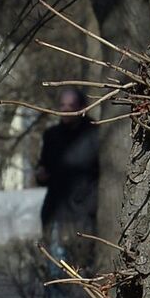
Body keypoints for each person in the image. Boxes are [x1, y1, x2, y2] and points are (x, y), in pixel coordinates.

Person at [35, 88, 103, 258]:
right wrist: (41, 174)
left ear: (82, 107)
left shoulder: (94, 134)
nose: (65, 110)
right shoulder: (51, 136)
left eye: (71, 106)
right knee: (55, 268)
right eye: (62, 105)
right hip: (55, 212)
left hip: (84, 214)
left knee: (80, 266)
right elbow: (44, 168)